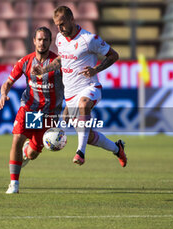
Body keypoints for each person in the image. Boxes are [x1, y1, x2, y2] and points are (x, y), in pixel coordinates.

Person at [32, 6, 127, 167]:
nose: (60, 28)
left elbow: (114, 55)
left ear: (72, 20)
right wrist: (44, 69)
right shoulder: (60, 39)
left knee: (84, 105)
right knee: (88, 136)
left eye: (62, 24)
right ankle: (117, 149)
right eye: (57, 25)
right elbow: (62, 59)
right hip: (70, 94)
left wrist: (96, 69)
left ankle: (80, 153)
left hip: (90, 87)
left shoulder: (89, 39)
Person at [0, 27, 64, 194]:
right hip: (30, 108)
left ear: (50, 42)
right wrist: (3, 94)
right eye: (39, 39)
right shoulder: (25, 62)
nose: (42, 43)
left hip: (50, 113)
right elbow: (7, 83)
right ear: (34, 41)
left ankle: (27, 151)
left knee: (33, 153)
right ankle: (14, 184)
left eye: (45, 40)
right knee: (17, 138)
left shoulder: (58, 63)